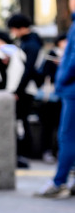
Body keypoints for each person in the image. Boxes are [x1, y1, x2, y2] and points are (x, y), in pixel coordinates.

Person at [35, 0, 75, 198]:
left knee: (67, 136)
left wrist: (61, 79)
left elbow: (73, 60)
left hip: (72, 91)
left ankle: (59, 182)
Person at [6, 13, 42, 167]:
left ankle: (24, 154)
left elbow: (28, 70)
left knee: (21, 120)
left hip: (24, 90)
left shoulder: (31, 44)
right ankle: (23, 153)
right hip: (23, 89)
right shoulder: (30, 41)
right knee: (21, 120)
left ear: (19, 28)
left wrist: (17, 91)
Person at [35, 34, 66, 164]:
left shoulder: (70, 55)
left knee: (62, 127)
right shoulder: (51, 55)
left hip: (64, 97)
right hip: (51, 98)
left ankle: (60, 151)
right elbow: (43, 74)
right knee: (47, 126)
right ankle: (46, 151)